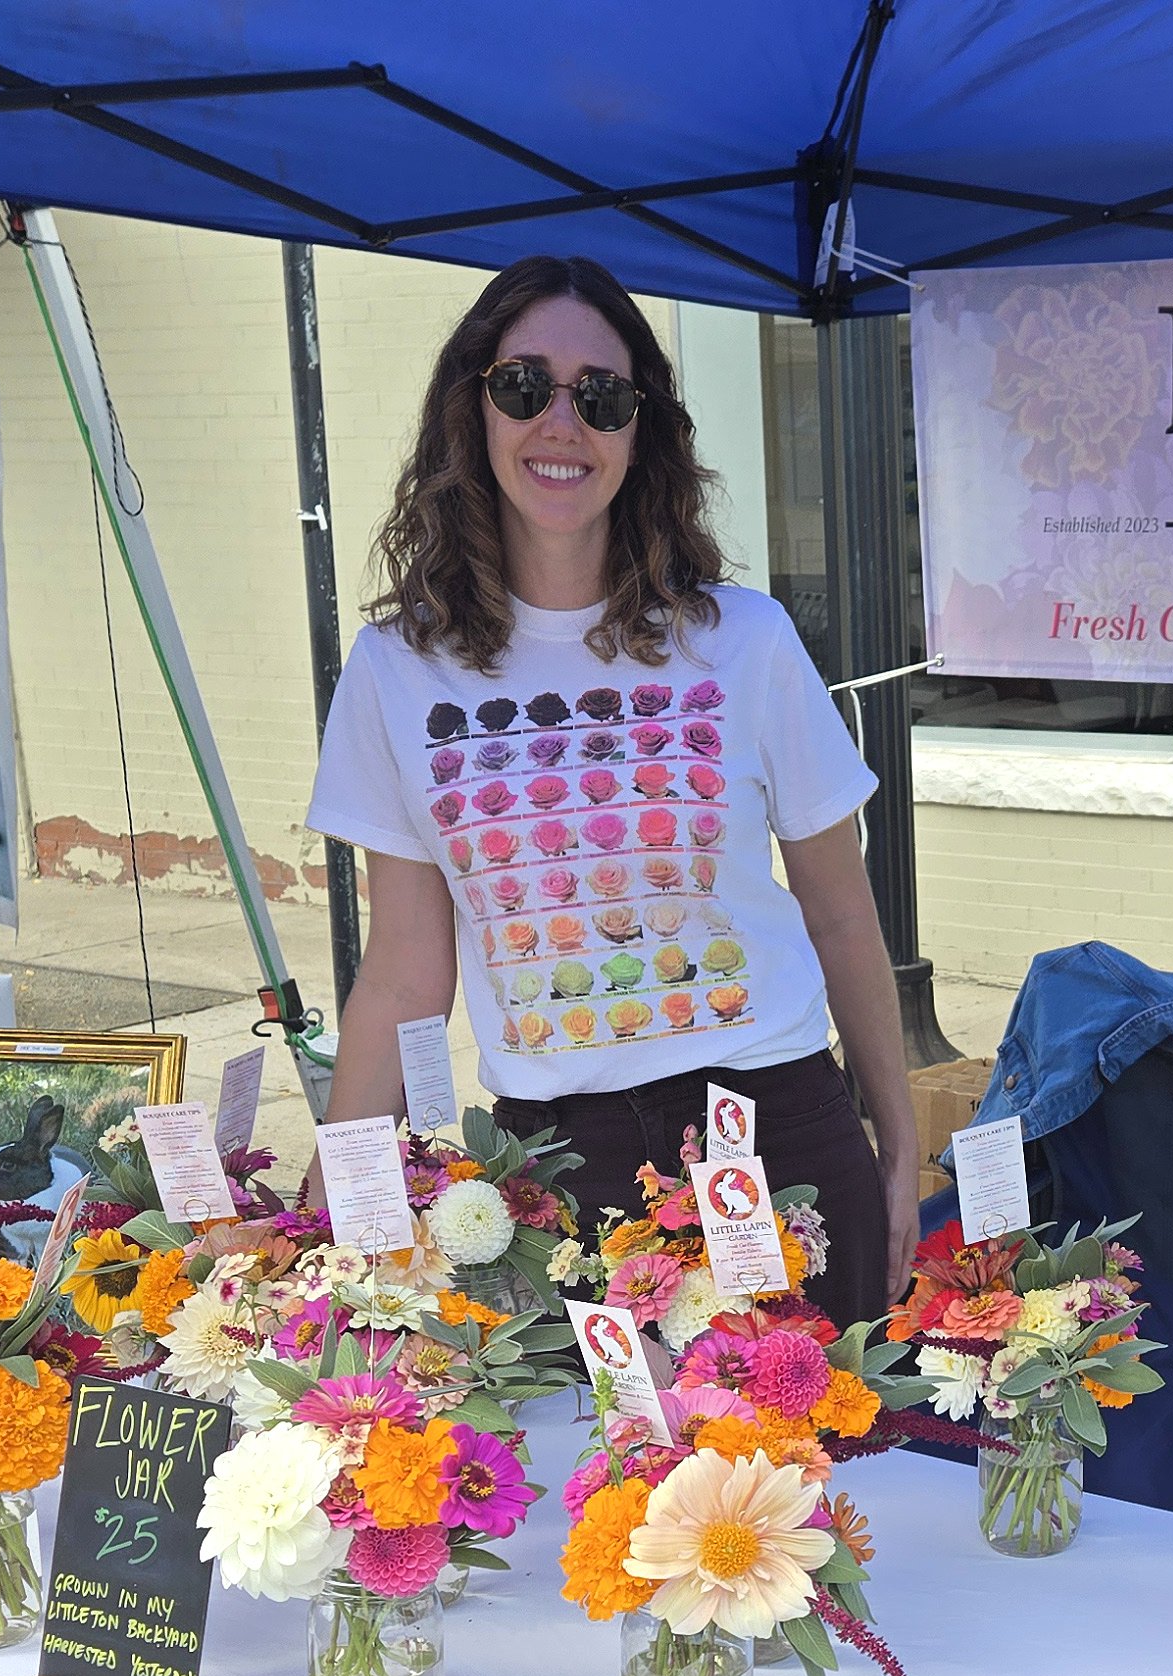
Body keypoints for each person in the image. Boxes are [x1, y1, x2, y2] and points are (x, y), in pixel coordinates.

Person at [305, 254, 918, 1326]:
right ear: (473, 408)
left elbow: (839, 910)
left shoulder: (746, 641)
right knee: (587, 1490)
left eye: (602, 396)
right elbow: (403, 973)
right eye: (523, 386)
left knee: (813, 1486)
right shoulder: (398, 669)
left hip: (773, 1132)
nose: (562, 422)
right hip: (554, 1164)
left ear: (642, 432)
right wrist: (340, 1192)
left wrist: (901, 1139)